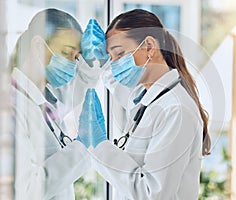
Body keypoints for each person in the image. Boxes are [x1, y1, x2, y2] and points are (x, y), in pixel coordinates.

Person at [78, 9, 211, 199]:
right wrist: (102, 61)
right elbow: (116, 84)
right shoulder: (148, 97)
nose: (115, 65)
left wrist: (101, 147)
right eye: (111, 57)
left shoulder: (176, 110)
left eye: (119, 54)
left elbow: (152, 193)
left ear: (149, 46)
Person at [10, 8, 97, 200]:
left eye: (76, 57)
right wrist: (81, 148)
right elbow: (28, 190)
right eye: (66, 53)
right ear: (39, 46)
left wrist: (90, 60)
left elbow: (81, 85)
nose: (72, 64)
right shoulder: (11, 107)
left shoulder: (45, 100)